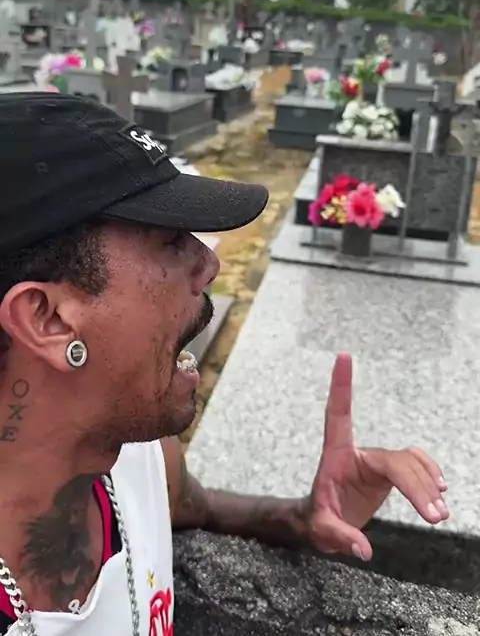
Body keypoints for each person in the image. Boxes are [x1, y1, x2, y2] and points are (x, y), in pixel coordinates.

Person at [0, 93, 448, 635]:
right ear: (47, 318)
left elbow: (200, 507)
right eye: (171, 241)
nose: (210, 263)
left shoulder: (141, 459)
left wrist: (303, 516)